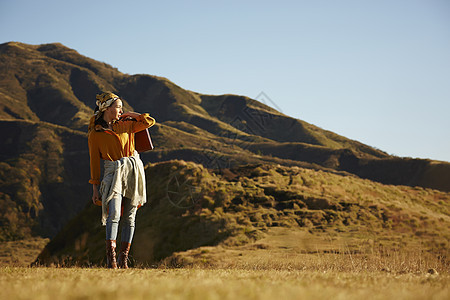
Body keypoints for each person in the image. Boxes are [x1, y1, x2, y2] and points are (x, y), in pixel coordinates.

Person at [88, 92, 155, 269]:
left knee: (130, 217)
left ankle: (124, 258)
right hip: (112, 173)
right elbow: (94, 162)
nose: (120, 110)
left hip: (133, 171)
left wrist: (130, 114)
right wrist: (95, 188)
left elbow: (149, 122)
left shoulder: (126, 124)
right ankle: (111, 258)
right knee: (114, 214)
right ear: (107, 109)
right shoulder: (95, 134)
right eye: (118, 107)